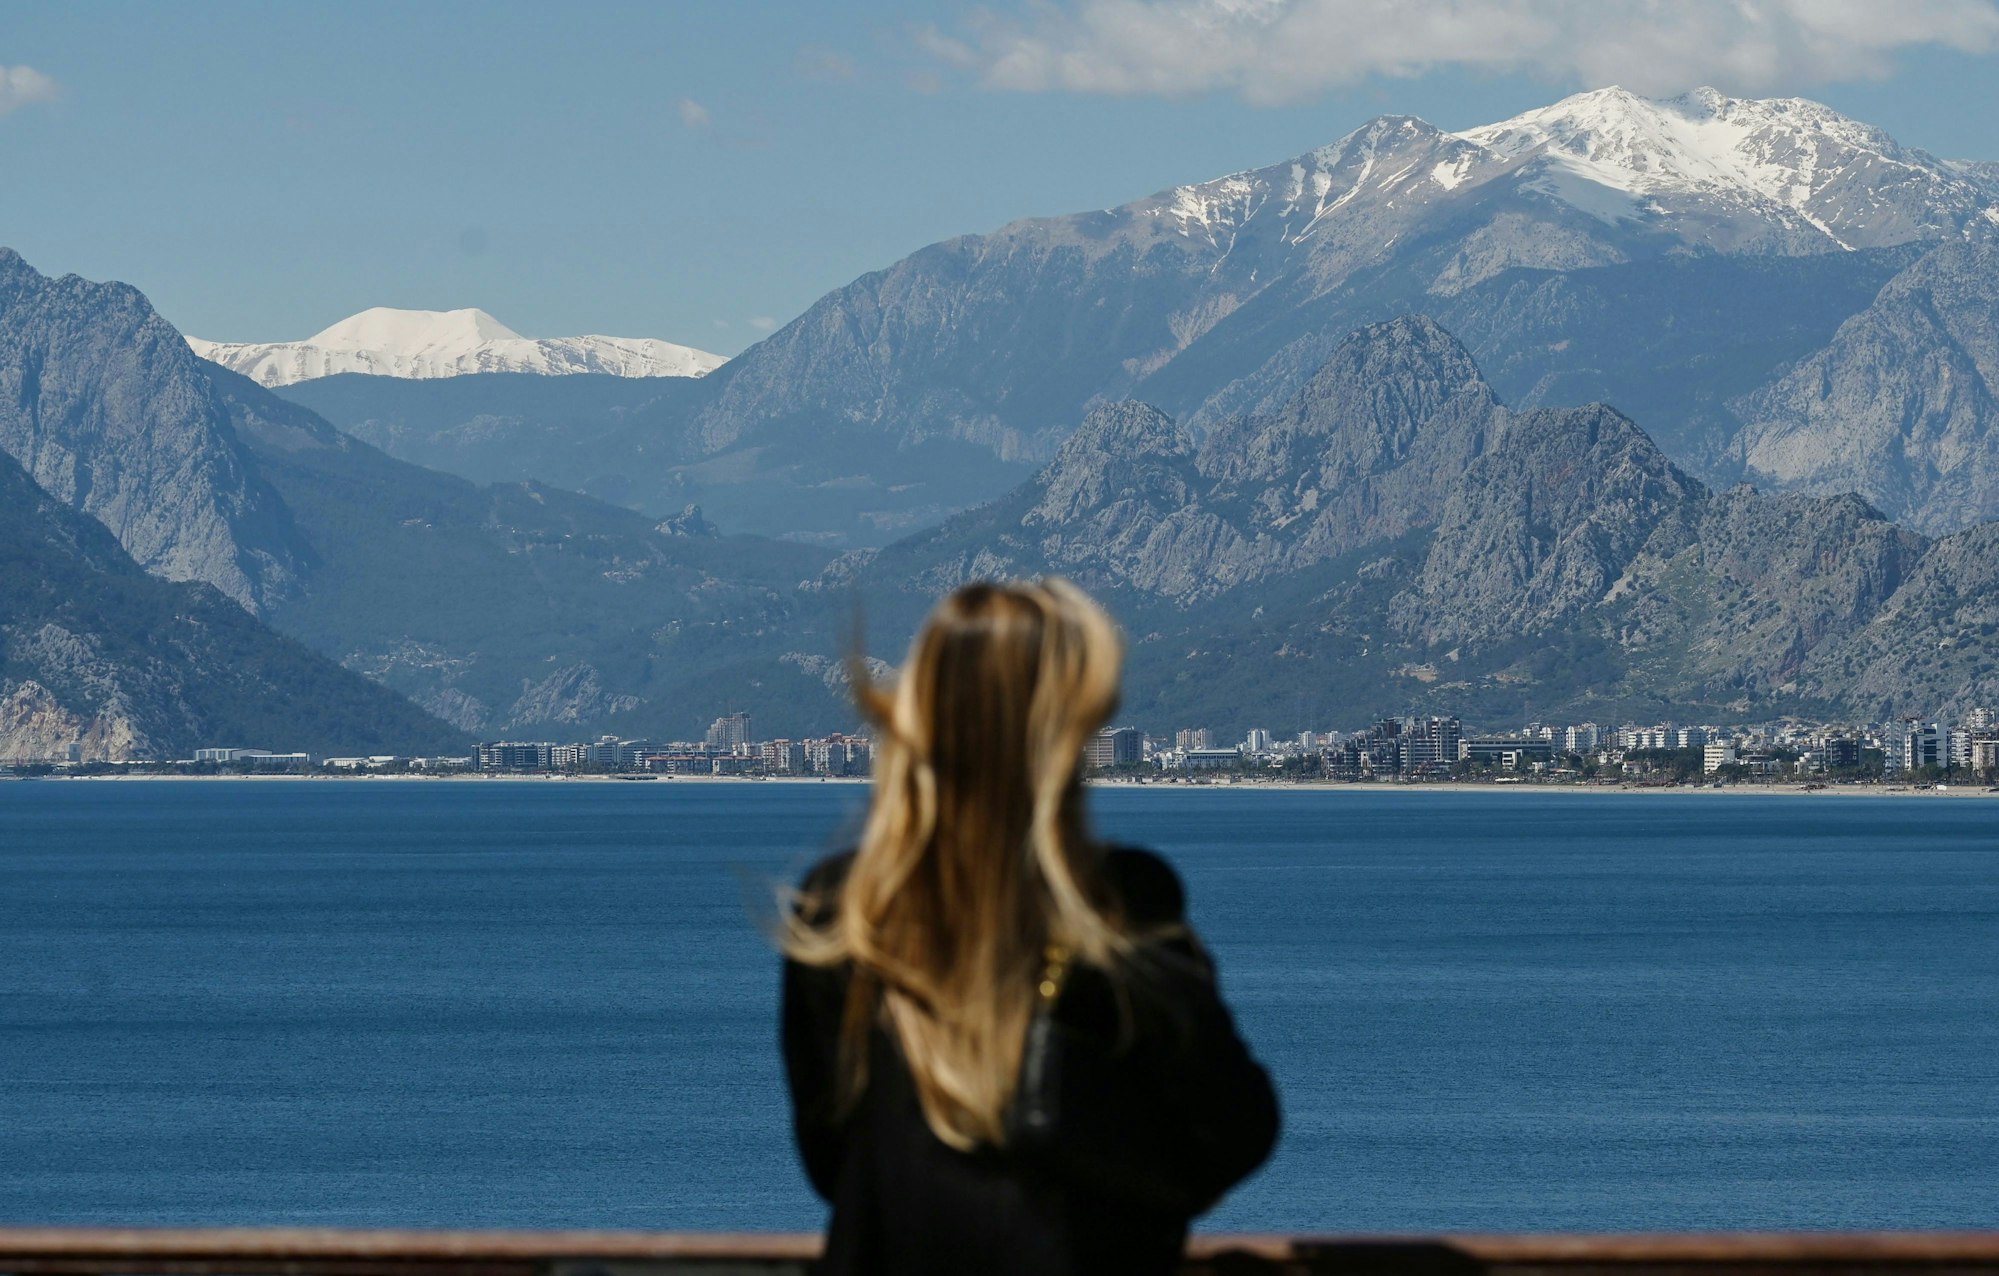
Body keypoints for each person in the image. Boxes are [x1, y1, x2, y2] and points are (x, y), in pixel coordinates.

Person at [780, 578, 1279, 1275]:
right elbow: (1234, 1129)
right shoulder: (1122, 904)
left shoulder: (840, 914)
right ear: (1064, 739)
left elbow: (832, 1158)